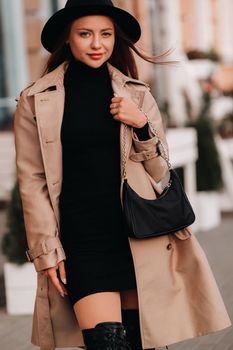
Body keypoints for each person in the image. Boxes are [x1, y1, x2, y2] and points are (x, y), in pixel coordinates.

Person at [14, 1, 231, 349]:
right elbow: (32, 181)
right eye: (85, 34)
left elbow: (161, 173)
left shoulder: (137, 95)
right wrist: (45, 251)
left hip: (136, 236)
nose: (97, 44)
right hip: (80, 241)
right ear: (67, 39)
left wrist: (141, 126)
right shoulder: (36, 100)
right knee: (106, 342)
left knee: (140, 341)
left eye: (106, 34)